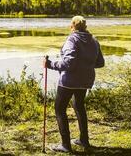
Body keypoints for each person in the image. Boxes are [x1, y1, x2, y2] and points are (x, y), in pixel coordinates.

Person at [43, 16, 105, 152]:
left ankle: (65, 145)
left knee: (59, 109)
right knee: (79, 105)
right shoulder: (94, 41)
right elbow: (100, 62)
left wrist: (50, 64)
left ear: (72, 26)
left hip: (68, 81)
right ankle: (83, 140)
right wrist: (85, 66)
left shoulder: (72, 39)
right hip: (85, 80)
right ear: (85, 27)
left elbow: (69, 63)